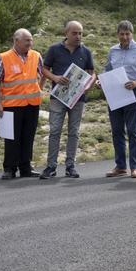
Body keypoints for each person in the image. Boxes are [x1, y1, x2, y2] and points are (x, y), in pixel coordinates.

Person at [40, 20, 94, 179]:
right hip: (58, 98)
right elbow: (44, 69)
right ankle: (51, 167)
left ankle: (70, 166)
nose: (78, 36)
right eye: (75, 33)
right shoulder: (54, 49)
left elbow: (92, 71)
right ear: (66, 33)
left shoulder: (86, 51)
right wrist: (55, 78)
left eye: (81, 33)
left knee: (74, 132)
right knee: (55, 130)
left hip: (78, 98)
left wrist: (89, 83)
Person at [101, 20, 136, 178]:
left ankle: (135, 167)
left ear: (132, 34)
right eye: (122, 34)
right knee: (117, 131)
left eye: (127, 34)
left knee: (132, 130)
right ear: (117, 35)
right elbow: (107, 69)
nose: (124, 37)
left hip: (133, 93)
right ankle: (120, 166)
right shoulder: (113, 50)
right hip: (114, 94)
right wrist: (100, 80)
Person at [0, 29, 44, 180]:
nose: (30, 43)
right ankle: (9, 168)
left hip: (32, 104)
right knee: (12, 138)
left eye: (31, 40)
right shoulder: (4, 57)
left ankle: (26, 167)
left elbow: (43, 73)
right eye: (27, 40)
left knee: (28, 137)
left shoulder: (36, 55)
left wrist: (39, 88)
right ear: (16, 41)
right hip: (12, 104)